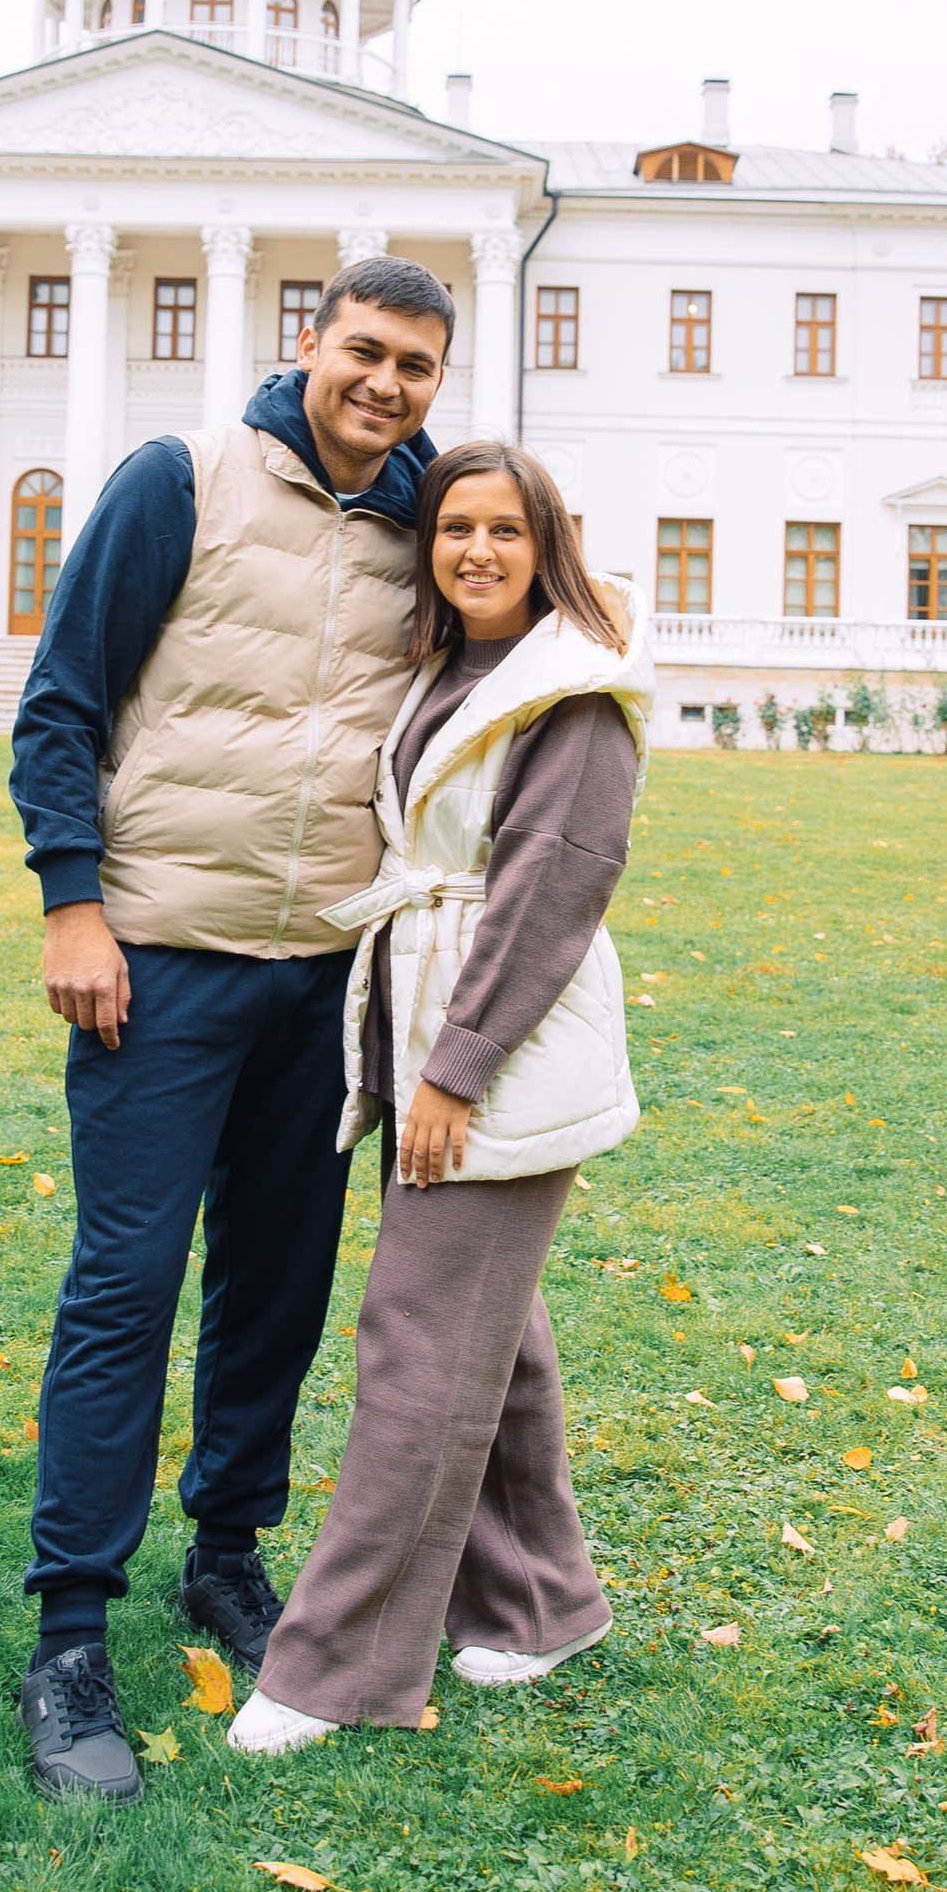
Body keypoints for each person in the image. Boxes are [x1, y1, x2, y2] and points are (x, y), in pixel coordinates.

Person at [4, 258, 456, 1803]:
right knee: (125, 1289)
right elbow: (63, 699)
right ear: (310, 343)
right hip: (160, 961)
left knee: (277, 1286)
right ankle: (71, 1634)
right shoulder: (178, 481)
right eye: (365, 350)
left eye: (415, 366)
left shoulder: (426, 522)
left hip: (325, 976)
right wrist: (74, 904)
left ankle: (227, 1554)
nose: (384, 384)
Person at [228, 440, 651, 1751]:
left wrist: (455, 1072)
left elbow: (552, 891)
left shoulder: (573, 692)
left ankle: (336, 1670)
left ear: (547, 546)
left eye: (505, 530)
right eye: (456, 527)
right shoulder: (452, 669)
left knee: (419, 1344)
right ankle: (542, 1603)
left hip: (494, 1045)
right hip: (424, 1018)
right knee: (489, 1335)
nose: (476, 550)